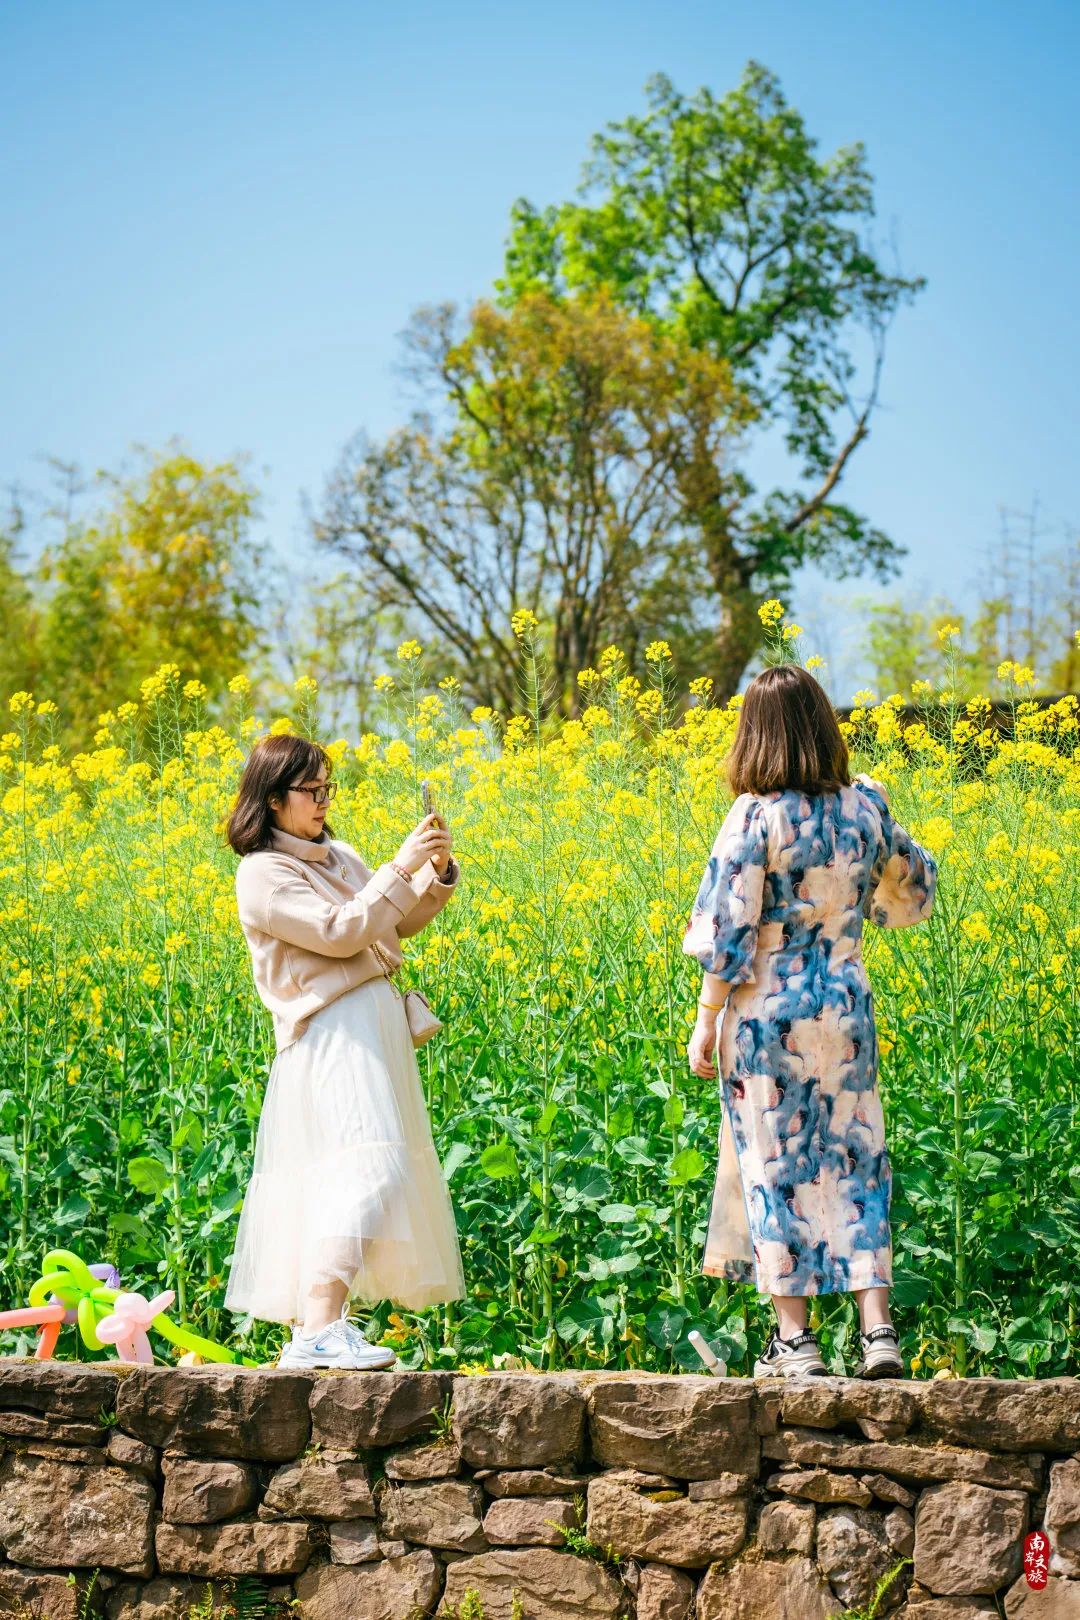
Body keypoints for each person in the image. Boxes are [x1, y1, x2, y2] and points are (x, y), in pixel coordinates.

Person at [683, 664, 937, 1380]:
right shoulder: (865, 806)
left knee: (777, 1166)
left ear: (755, 735)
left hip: (768, 1015)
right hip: (846, 1010)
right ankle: (878, 1332)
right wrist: (878, 823)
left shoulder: (754, 816)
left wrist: (705, 1020)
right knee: (858, 1160)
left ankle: (796, 1341)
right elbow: (916, 889)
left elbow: (726, 932)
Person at [222, 732, 465, 1369]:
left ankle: (321, 1327)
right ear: (273, 799)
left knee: (366, 1167)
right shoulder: (262, 873)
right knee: (369, 1165)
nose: (324, 800)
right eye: (311, 790)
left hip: (375, 1026)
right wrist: (400, 867)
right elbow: (340, 932)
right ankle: (318, 1327)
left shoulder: (340, 856)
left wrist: (434, 873)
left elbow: (393, 923)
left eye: (327, 787)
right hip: (332, 1030)